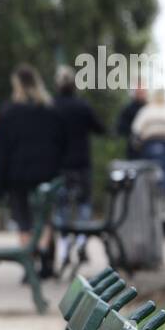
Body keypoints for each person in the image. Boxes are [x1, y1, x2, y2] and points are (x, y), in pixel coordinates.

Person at [0, 64, 66, 276]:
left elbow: (0, 151)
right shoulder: (51, 110)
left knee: (23, 220)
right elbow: (62, 143)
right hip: (47, 173)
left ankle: (29, 261)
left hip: (19, 176)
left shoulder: (8, 112)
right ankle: (43, 251)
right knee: (44, 218)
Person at [52, 65, 106, 244]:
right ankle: (83, 240)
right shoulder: (82, 106)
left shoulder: (52, 106)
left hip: (59, 164)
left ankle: (64, 242)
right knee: (84, 202)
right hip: (81, 162)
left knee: (62, 205)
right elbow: (100, 128)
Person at [131, 89, 165, 234]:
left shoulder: (146, 111)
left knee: (150, 185)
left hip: (150, 150)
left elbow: (136, 130)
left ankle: (153, 221)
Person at [115, 84, 148, 158]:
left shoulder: (150, 108)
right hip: (133, 147)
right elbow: (121, 127)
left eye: (143, 92)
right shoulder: (128, 109)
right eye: (139, 92)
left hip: (149, 146)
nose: (141, 94)